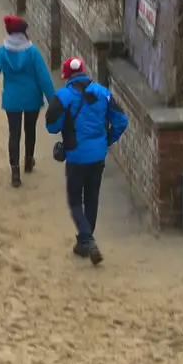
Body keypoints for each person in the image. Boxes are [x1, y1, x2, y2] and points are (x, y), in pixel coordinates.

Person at [45, 57, 128, 265]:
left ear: (66, 76)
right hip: (98, 156)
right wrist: (108, 139)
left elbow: (52, 126)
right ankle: (84, 244)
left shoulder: (62, 97)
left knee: (75, 201)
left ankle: (88, 240)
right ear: (83, 71)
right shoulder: (103, 93)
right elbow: (121, 121)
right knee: (92, 197)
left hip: (76, 157)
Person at [0, 14, 55, 188]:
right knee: (30, 130)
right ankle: (29, 161)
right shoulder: (32, 52)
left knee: (14, 133)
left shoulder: (1, 52)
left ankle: (15, 172)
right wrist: (54, 100)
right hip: (32, 99)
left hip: (12, 100)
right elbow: (44, 78)